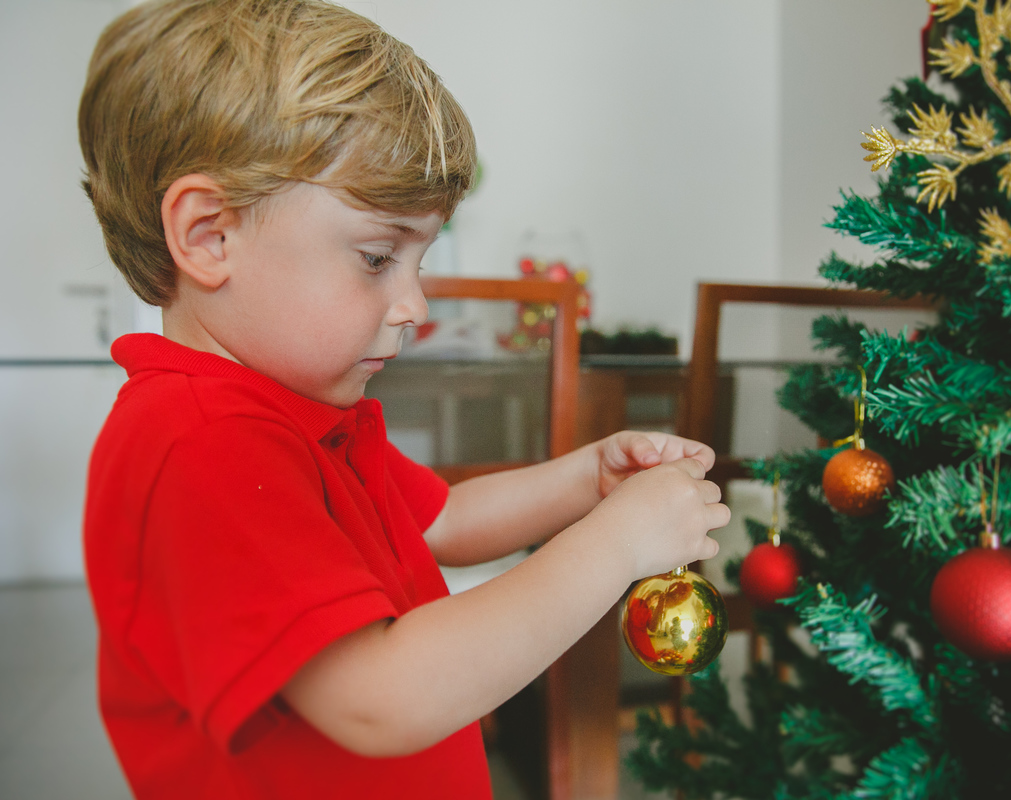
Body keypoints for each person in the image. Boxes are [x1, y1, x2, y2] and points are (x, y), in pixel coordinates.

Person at [78, 1, 728, 798]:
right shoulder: (203, 441)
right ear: (210, 234)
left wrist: (588, 482)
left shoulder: (294, 411)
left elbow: (441, 521)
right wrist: (614, 548)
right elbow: (383, 700)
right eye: (378, 256)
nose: (414, 306)